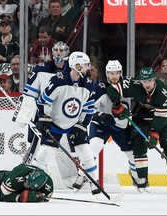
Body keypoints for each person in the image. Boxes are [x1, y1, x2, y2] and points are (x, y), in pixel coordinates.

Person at [30, 51, 101, 200]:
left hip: (74, 124)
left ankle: (95, 184)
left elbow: (88, 108)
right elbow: (43, 101)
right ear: (77, 66)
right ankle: (31, 182)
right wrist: (44, 119)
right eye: (86, 65)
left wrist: (82, 125)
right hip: (55, 122)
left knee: (85, 150)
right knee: (47, 151)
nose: (88, 68)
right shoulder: (58, 81)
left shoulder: (88, 84)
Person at [107, 67, 167, 191]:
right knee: (138, 146)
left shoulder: (163, 92)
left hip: (161, 119)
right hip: (141, 117)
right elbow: (111, 89)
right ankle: (142, 178)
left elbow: (161, 116)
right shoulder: (134, 84)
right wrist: (117, 104)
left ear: (154, 80)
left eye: (149, 81)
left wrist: (154, 133)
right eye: (144, 81)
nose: (147, 84)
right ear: (140, 81)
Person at [73, 60, 141, 191]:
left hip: (121, 125)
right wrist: (100, 116)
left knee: (131, 153)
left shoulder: (127, 86)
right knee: (93, 147)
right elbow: (88, 108)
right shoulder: (99, 87)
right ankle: (83, 175)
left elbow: (139, 100)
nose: (114, 76)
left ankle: (137, 177)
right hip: (101, 124)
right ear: (106, 73)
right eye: (111, 73)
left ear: (121, 73)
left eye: (116, 73)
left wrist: (140, 109)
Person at [16, 41, 70, 164]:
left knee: (64, 149)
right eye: (56, 50)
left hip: (63, 118)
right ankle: (28, 168)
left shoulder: (71, 73)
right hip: (43, 117)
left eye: (61, 51)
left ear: (66, 53)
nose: (58, 53)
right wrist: (25, 113)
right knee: (35, 145)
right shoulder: (42, 69)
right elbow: (29, 94)